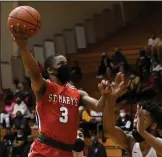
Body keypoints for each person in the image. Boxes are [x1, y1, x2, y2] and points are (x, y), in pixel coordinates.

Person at [11, 23, 110, 157]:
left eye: (66, 64)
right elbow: (34, 73)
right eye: (61, 64)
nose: (66, 67)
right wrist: (23, 48)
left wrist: (105, 95)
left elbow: (99, 107)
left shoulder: (78, 93)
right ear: (50, 70)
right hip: (44, 149)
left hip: (66, 151)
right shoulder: (45, 87)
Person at [99, 73, 162, 157]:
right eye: (136, 117)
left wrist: (143, 132)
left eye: (142, 118)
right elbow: (109, 129)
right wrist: (110, 99)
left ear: (153, 125)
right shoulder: (131, 142)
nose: (136, 121)